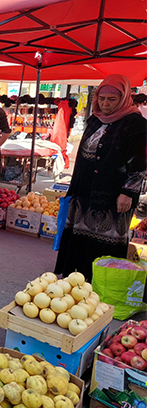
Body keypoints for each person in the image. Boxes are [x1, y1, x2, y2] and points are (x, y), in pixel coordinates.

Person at [55, 74, 147, 282]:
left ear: (124, 99)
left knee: (107, 237)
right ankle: (75, 277)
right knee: (79, 232)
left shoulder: (134, 123)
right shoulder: (95, 119)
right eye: (102, 99)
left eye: (111, 100)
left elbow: (139, 163)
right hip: (85, 188)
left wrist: (128, 192)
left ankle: (100, 282)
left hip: (113, 192)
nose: (105, 104)